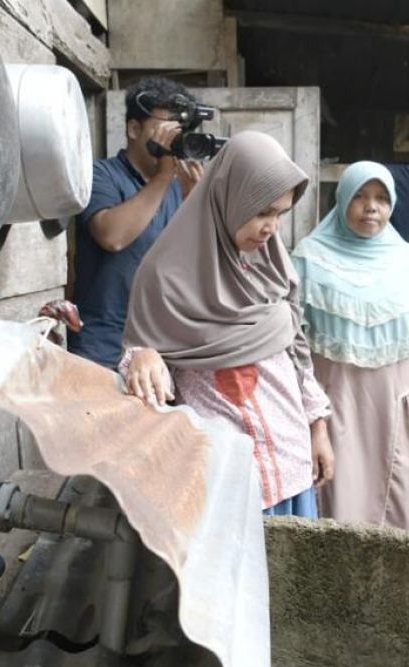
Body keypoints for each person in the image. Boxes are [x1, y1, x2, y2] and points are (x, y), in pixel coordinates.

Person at [118, 131, 333, 517]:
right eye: (262, 212)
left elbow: (297, 354)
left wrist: (318, 426)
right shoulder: (164, 276)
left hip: (290, 465)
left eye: (280, 214)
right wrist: (142, 355)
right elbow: (150, 380)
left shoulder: (272, 266)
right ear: (228, 199)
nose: (272, 229)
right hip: (226, 484)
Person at [290, 161, 409, 531]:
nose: (371, 207)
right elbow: (290, 341)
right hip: (336, 402)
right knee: (338, 495)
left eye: (382, 198)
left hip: (393, 403)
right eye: (361, 196)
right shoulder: (308, 258)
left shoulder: (406, 261)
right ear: (343, 199)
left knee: (393, 498)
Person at [68, 77, 205, 367]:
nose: (174, 139)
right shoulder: (100, 174)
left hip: (156, 351)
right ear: (133, 128)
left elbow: (184, 269)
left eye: (179, 131)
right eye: (167, 127)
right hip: (101, 348)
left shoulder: (175, 189)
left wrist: (197, 205)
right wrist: (164, 176)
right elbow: (112, 236)